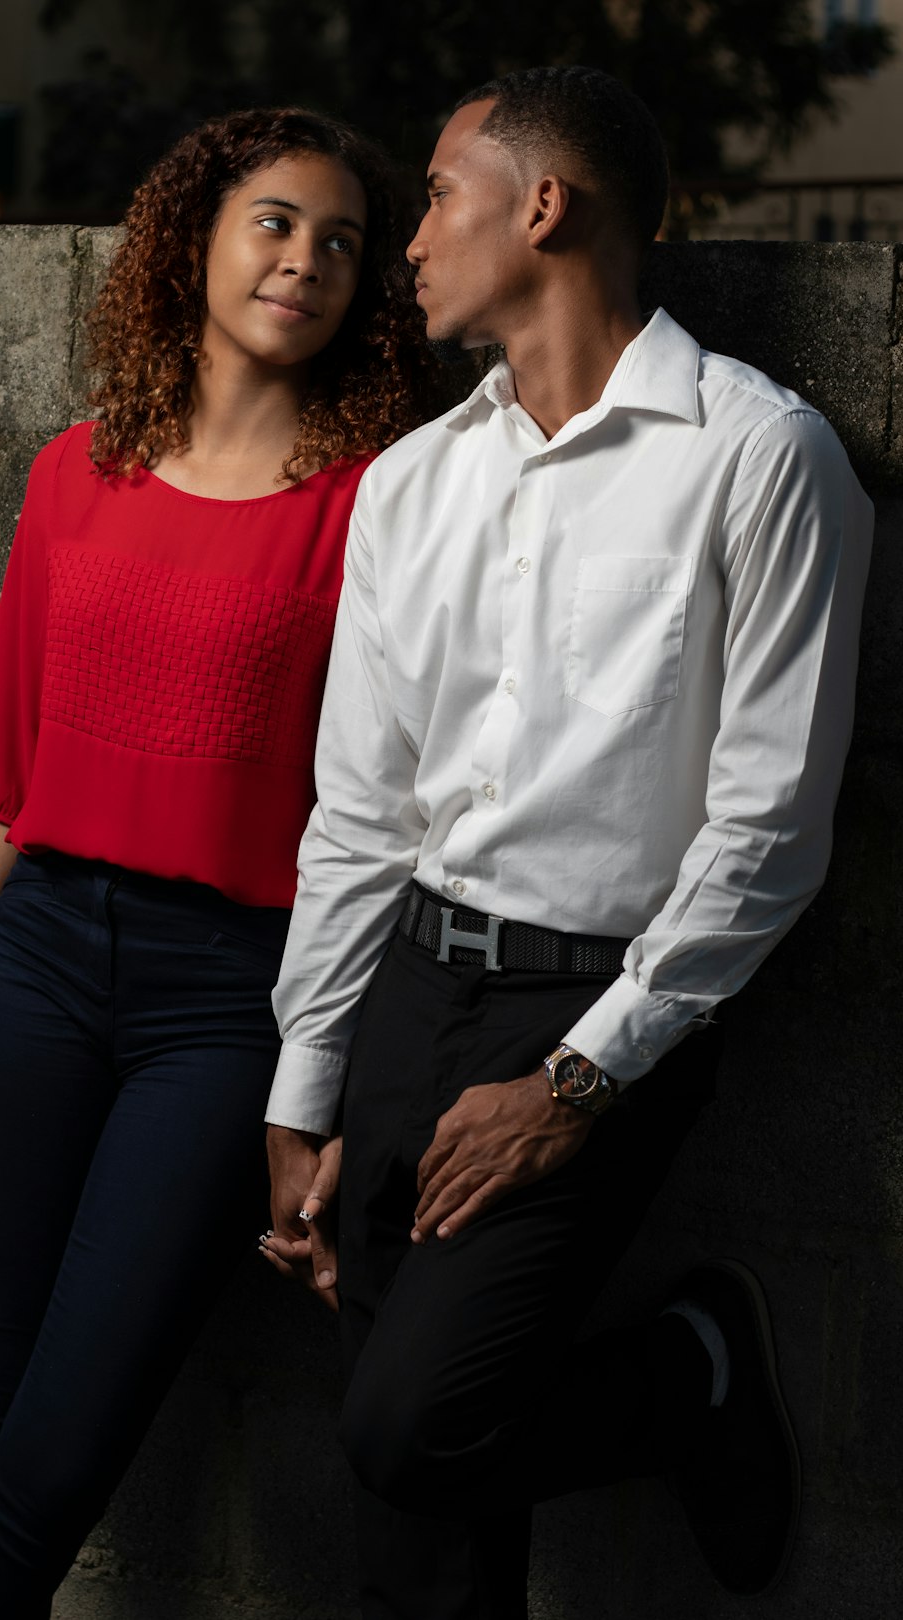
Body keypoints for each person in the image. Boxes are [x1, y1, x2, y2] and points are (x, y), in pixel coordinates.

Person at [260, 66, 873, 1619]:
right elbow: (362, 810)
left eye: (439, 194)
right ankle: (670, 1382)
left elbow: (769, 829)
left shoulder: (760, 457)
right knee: (414, 1518)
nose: (406, 240)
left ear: (545, 205)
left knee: (413, 1428)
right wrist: (307, 1077)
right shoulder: (412, 484)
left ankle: (686, 1374)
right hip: (410, 991)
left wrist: (578, 1083)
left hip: (588, 1014)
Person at [0, 106, 431, 1618]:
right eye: (272, 221)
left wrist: (313, 1079)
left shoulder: (376, 505)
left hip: (226, 1001)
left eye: (341, 241)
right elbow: (6, 779)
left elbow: (381, 806)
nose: (304, 260)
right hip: (35, 970)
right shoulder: (74, 474)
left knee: (53, 1463)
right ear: (194, 237)